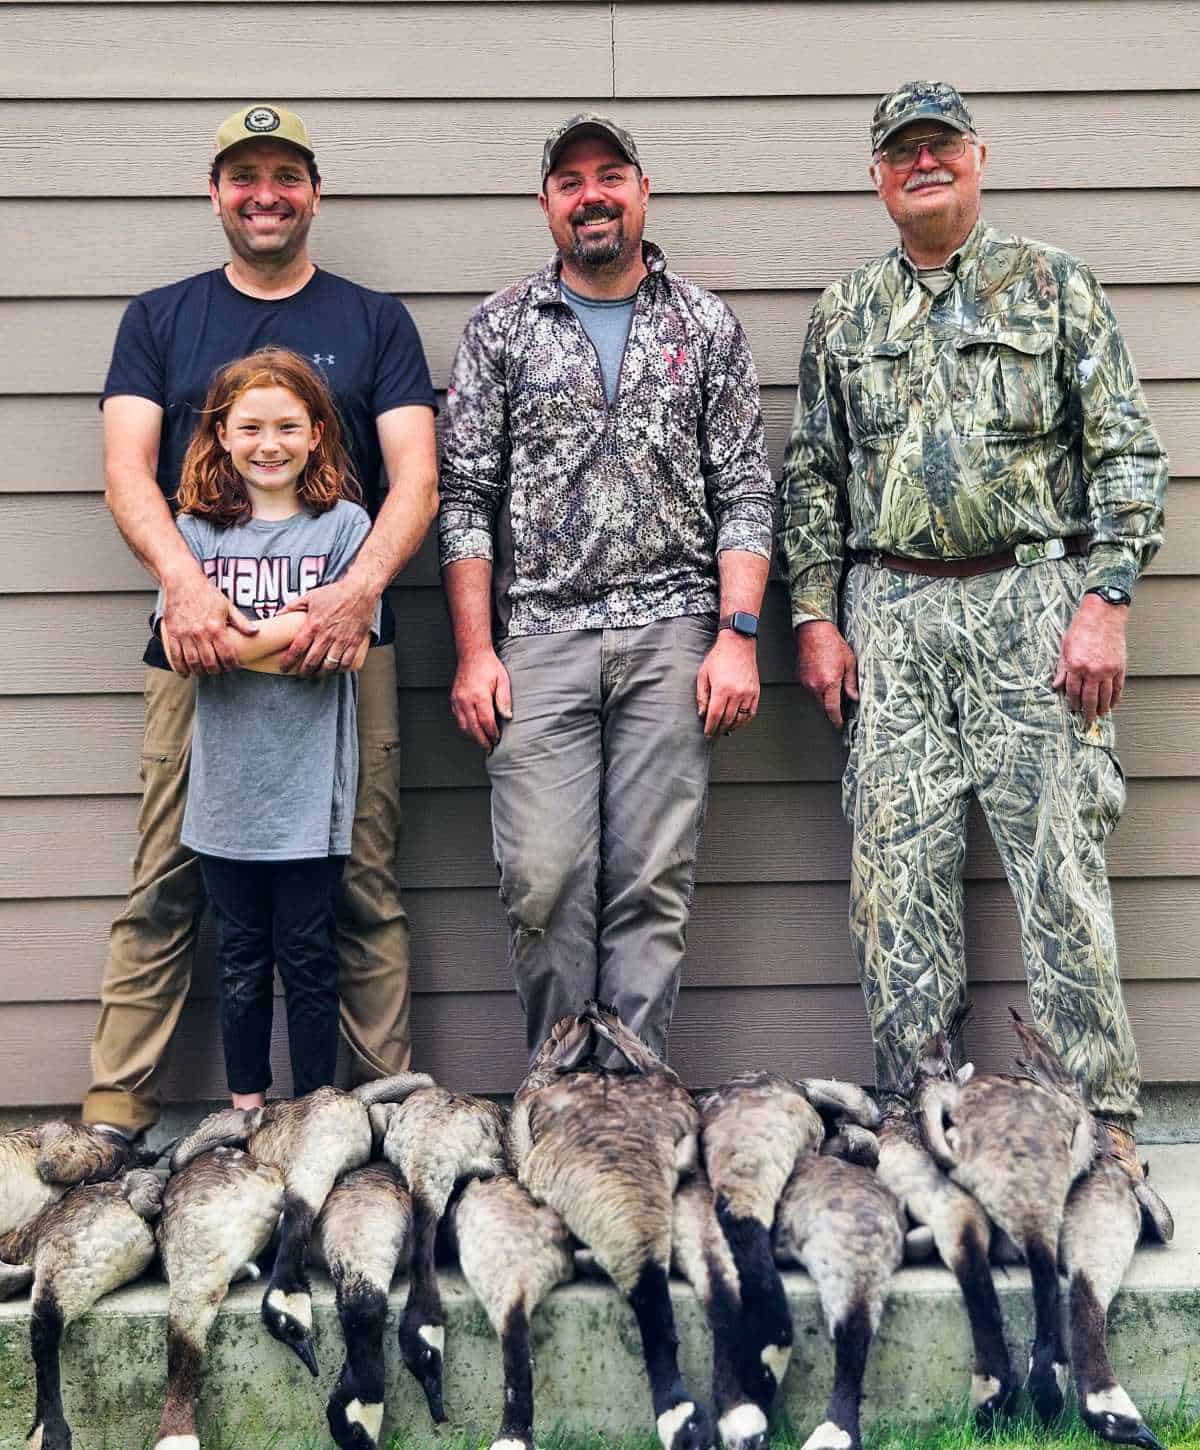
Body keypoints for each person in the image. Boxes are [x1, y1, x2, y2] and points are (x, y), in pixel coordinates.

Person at [778, 80, 1168, 1175]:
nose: (924, 164)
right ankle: (921, 1114)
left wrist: (1106, 599)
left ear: (979, 157)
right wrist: (815, 613)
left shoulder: (1055, 287)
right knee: (895, 876)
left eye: (941, 146)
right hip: (889, 611)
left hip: (1033, 605)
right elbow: (812, 476)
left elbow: (1128, 458)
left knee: (1061, 867)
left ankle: (1100, 1118)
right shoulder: (846, 311)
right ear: (878, 177)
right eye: (903, 152)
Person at [87, 104, 438, 1137]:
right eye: (245, 175)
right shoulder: (160, 319)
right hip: (195, 654)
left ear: (314, 192)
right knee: (169, 872)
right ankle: (114, 1115)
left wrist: (358, 588)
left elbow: (415, 478)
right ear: (217, 193)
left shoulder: (374, 321)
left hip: (344, 651)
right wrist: (186, 588)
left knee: (360, 877)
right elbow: (124, 471)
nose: (266, 192)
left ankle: (370, 1118)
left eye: (286, 173)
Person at [439, 114, 775, 1058]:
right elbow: (465, 496)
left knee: (651, 881)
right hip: (538, 639)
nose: (592, 195)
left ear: (642, 191)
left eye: (610, 176)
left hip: (675, 633)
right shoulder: (501, 329)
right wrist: (474, 652)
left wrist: (737, 634)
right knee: (543, 879)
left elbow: (745, 485)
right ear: (546, 204)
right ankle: (559, 1089)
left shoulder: (704, 323)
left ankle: (628, 1097)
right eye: (571, 181)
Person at [160, 348, 378, 1106]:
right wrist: (288, 628)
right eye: (249, 426)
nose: (269, 443)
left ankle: (316, 1108)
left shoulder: (347, 528)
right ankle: (248, 1110)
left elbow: (333, 650)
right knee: (241, 960)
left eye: (288, 425)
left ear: (318, 433)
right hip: (226, 797)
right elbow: (189, 650)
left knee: (310, 956)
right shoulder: (196, 535)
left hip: (311, 795)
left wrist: (240, 640)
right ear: (220, 435)